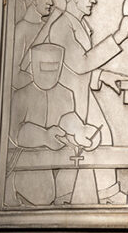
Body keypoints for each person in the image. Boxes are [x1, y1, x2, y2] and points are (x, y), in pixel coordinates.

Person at [45, 0, 128, 204]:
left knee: (98, 138)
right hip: (68, 102)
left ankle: (106, 193)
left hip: (82, 96)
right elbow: (79, 63)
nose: (94, 0)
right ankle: (66, 197)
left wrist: (104, 76)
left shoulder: (78, 24)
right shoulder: (61, 26)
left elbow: (74, 68)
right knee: (76, 146)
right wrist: (119, 36)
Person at [7, 43, 95, 206]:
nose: (49, 74)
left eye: (54, 68)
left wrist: (81, 130)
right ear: (33, 66)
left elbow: (68, 119)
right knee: (41, 196)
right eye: (44, 68)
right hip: (27, 169)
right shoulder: (21, 96)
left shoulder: (66, 94)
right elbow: (15, 133)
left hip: (60, 167)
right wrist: (44, 136)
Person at [12, 0, 54, 88]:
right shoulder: (21, 29)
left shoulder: (47, 27)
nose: (51, 2)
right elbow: (13, 73)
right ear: (35, 0)